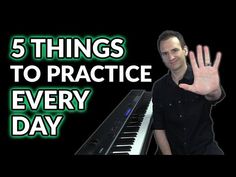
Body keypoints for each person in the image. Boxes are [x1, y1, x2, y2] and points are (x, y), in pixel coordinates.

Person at [152, 30, 225, 155]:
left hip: (203, 149)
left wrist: (213, 89)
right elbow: (158, 127)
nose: (170, 57)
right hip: (172, 150)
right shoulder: (159, 87)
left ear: (184, 50)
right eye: (165, 53)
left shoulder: (201, 78)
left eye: (174, 50)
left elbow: (215, 96)